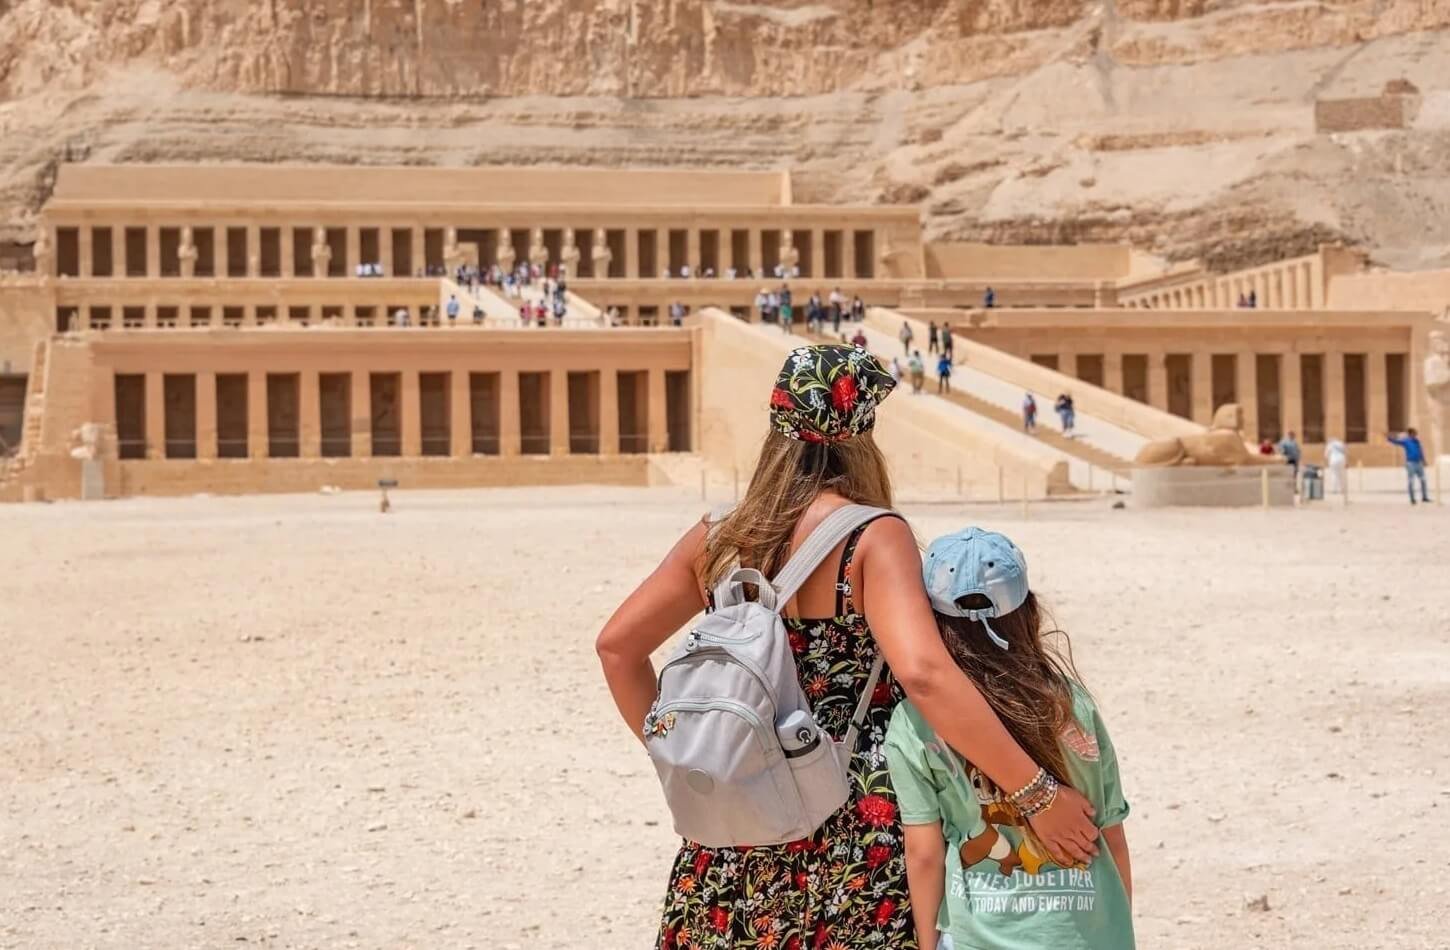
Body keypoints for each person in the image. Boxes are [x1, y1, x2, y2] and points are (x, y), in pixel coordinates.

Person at [596, 345, 1101, 949]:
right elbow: (925, 675)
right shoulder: (872, 535)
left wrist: (696, 754)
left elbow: (617, 648)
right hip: (849, 825)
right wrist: (1035, 792)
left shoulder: (717, 537)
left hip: (736, 823)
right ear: (861, 435)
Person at [886, 528, 1134, 950]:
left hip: (978, 937)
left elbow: (924, 854)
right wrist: (1118, 927)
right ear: (1029, 611)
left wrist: (927, 942)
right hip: (1083, 935)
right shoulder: (1070, 707)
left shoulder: (913, 723)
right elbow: (1110, 832)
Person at [1389, 428, 1430, 504]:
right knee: (1411, 481)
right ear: (1410, 434)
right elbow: (1395, 442)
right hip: (1410, 464)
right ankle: (1412, 499)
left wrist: (1424, 460)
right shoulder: (1406, 441)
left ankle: (1424, 497)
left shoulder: (1417, 441)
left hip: (1419, 463)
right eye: (1414, 433)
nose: (1416, 435)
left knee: (1423, 480)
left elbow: (1420, 451)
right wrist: (1389, 438)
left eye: (1416, 433)